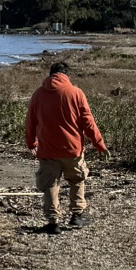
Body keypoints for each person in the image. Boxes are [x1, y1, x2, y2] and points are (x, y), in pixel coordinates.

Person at [24, 60, 106, 233]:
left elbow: (31, 121)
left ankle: (53, 223)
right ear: (67, 75)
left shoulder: (38, 94)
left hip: (47, 150)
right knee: (76, 180)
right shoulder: (76, 93)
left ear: (50, 75)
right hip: (72, 149)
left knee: (50, 185)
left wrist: (31, 142)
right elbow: (88, 122)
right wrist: (99, 143)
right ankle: (77, 215)